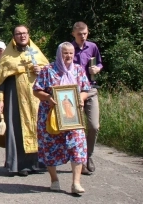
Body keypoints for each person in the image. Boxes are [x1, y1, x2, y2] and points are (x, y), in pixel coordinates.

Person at [0, 26, 49, 176]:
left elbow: (48, 71)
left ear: (28, 34)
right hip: (14, 98)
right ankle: (19, 165)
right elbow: (0, 81)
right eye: (18, 34)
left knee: (37, 128)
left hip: (35, 99)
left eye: (24, 33)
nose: (22, 36)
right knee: (17, 130)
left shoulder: (36, 53)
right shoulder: (7, 57)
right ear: (14, 36)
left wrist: (41, 71)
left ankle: (37, 163)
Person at [33, 42, 90, 194]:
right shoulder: (48, 70)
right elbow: (36, 90)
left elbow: (85, 89)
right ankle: (54, 179)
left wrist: (81, 98)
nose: (69, 56)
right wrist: (48, 97)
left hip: (73, 117)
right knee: (50, 147)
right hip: (50, 116)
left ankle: (76, 183)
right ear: (59, 54)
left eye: (71, 53)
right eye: (65, 53)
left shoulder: (78, 70)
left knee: (77, 146)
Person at [71, 21, 103, 174]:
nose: (82, 37)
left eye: (84, 33)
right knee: (77, 128)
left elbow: (100, 63)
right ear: (73, 34)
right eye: (79, 34)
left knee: (94, 126)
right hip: (73, 92)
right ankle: (79, 160)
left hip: (90, 89)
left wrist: (97, 68)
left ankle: (88, 155)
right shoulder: (68, 49)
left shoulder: (92, 47)